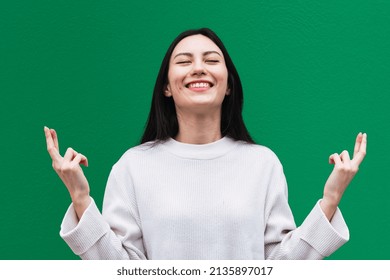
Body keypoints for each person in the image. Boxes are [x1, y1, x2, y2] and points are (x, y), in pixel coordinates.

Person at [44, 28, 367, 260]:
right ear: (166, 87)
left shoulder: (261, 163)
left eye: (211, 60)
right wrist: (80, 197)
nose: (198, 67)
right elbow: (120, 269)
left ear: (228, 85)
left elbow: (280, 267)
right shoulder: (134, 165)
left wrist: (331, 198)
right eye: (184, 61)